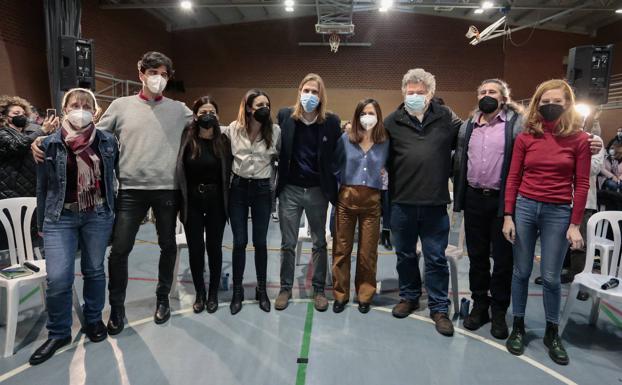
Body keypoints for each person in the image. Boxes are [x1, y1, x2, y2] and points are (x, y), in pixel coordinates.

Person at [33, 52, 193, 332]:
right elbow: (86, 134)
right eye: (153, 72)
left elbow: (213, 128)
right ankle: (117, 310)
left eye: (164, 74)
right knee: (119, 251)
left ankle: (162, 299)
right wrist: (42, 139)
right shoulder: (121, 106)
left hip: (168, 191)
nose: (159, 78)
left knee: (168, 247)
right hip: (130, 191)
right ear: (141, 73)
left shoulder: (179, 109)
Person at [503, 79, 591, 365]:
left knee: (552, 277)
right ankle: (518, 326)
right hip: (525, 208)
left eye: (556, 101)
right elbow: (513, 178)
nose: (549, 105)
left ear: (567, 105)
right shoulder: (526, 137)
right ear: (537, 104)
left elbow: (582, 183)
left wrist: (575, 223)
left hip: (558, 212)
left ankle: (552, 332)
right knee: (521, 271)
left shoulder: (579, 139)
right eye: (544, 101)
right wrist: (508, 215)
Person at [29, 88, 118, 365]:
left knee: (94, 270)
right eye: (74, 104)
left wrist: (113, 215)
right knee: (58, 278)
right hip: (60, 217)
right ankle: (58, 332)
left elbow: (114, 180)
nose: (80, 109)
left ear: (96, 110)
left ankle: (93, 320)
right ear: (64, 109)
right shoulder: (47, 144)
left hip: (97, 214)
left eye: (86, 105)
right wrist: (42, 222)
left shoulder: (107, 141)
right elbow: (42, 187)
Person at [385, 68, 462, 336]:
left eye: (420, 92)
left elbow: (474, 134)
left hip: (435, 205)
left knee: (435, 259)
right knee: (405, 255)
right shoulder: (392, 121)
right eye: (410, 92)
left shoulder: (447, 119)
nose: (415, 96)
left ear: (430, 94)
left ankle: (440, 307)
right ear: (403, 92)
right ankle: (409, 296)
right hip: (402, 203)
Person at [452, 79, 524, 339]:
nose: (486, 95)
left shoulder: (516, 125)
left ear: (503, 97)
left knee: (503, 260)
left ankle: (499, 310)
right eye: (482, 91)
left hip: (502, 202)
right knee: (478, 258)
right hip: (473, 198)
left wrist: (589, 140)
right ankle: (480, 305)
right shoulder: (469, 125)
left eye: (492, 92)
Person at [274, 73, 341, 312]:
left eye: (315, 92)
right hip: (290, 190)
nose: (310, 95)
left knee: (319, 242)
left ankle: (319, 290)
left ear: (321, 96)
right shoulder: (284, 116)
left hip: (317, 191)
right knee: (287, 243)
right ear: (299, 91)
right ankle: (284, 288)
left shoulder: (331, 122)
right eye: (306, 90)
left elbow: (338, 155)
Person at [224, 89, 280, 314]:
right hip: (238, 188)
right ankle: (237, 291)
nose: (264, 108)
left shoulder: (275, 131)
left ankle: (262, 290)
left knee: (260, 242)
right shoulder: (232, 130)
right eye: (259, 105)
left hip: (261, 190)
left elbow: (280, 160)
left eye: (267, 104)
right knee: (239, 241)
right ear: (248, 107)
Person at [332, 98, 389, 314]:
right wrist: (343, 183)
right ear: (357, 116)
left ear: (378, 116)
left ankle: (365, 295)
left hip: (372, 202)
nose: (368, 116)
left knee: (368, 253)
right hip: (346, 199)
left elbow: (390, 166)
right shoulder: (346, 138)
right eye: (364, 112)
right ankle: (340, 294)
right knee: (342, 249)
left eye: (372, 112)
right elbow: (334, 164)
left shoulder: (385, 141)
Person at [175, 96, 232, 314]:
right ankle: (200, 292)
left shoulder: (223, 141)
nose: (207, 115)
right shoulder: (187, 139)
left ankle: (213, 293)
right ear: (196, 116)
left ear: (217, 116)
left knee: (214, 248)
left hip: (217, 201)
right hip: (193, 202)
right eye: (203, 112)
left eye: (212, 111)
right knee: (196, 249)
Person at [0, 95, 54, 250]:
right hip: (11, 191)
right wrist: (42, 130)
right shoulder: (3, 133)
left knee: (30, 234)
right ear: (5, 116)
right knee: (16, 236)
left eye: (23, 113)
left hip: (29, 189)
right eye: (16, 114)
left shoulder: (27, 133)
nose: (21, 116)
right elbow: (18, 146)